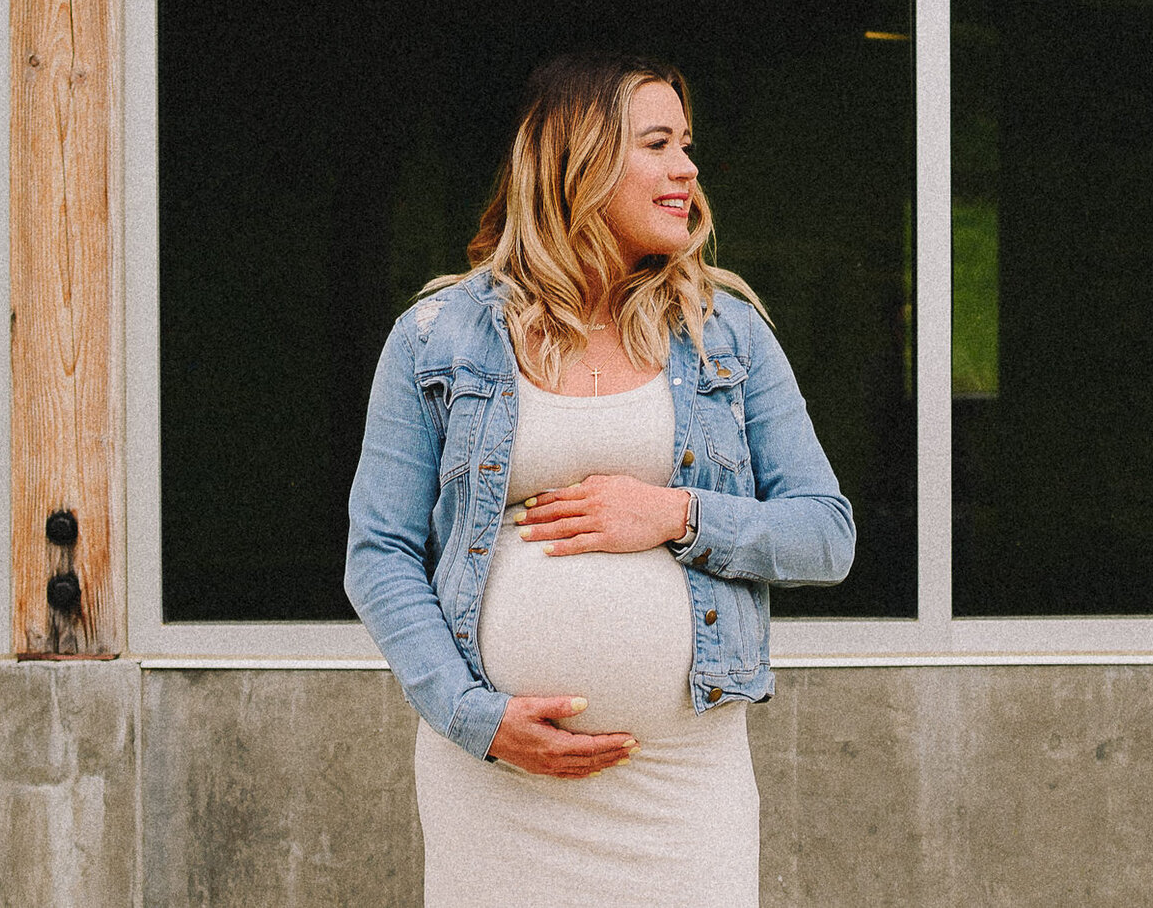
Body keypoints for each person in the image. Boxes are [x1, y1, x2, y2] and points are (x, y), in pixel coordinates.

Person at [345, 51, 855, 908]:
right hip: (498, 788)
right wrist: (477, 717)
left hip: (681, 786)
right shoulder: (437, 336)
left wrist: (673, 512)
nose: (688, 168)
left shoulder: (726, 334)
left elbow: (825, 534)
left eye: (686, 144)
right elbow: (380, 553)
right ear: (577, 164)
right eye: (658, 144)